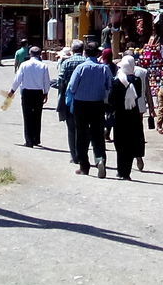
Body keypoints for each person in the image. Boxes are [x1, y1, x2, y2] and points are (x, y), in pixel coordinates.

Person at [66, 46, 114, 178]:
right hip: (98, 105)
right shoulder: (104, 68)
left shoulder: (81, 68)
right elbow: (110, 86)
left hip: (81, 105)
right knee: (98, 135)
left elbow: (72, 86)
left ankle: (84, 166)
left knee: (81, 135)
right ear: (97, 54)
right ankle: (100, 160)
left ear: (85, 53)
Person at [108, 55, 146, 180]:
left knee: (120, 143)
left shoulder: (116, 80)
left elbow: (111, 99)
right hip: (133, 115)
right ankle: (127, 172)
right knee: (130, 143)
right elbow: (139, 95)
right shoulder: (136, 80)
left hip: (120, 116)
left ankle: (120, 170)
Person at [7, 47, 51, 147]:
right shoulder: (44, 66)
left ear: (30, 54)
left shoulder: (24, 65)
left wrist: (12, 91)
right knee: (37, 116)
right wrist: (46, 93)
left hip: (27, 93)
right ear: (40, 54)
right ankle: (36, 139)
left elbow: (17, 79)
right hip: (39, 93)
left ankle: (29, 140)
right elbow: (46, 81)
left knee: (27, 117)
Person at [55, 40, 89, 163]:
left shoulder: (66, 62)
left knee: (71, 129)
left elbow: (60, 81)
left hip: (69, 100)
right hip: (85, 100)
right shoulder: (87, 62)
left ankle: (74, 156)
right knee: (83, 129)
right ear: (82, 50)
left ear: (72, 50)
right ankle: (82, 154)